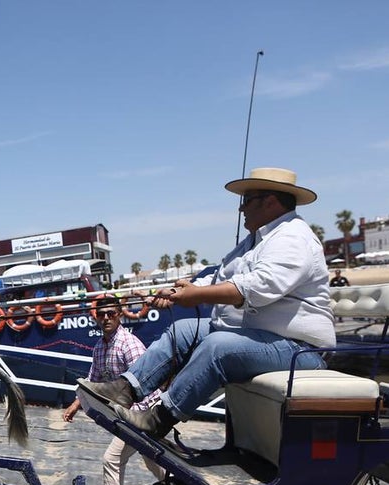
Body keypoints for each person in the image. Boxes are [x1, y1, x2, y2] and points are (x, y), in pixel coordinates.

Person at [78, 167, 335, 438]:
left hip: (300, 350)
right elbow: (221, 276)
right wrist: (181, 290)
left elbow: (258, 288)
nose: (241, 210)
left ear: (270, 201)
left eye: (246, 201)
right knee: (186, 330)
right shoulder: (256, 240)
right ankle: (124, 389)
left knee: (217, 347)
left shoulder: (293, 237)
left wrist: (196, 296)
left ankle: (158, 418)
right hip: (263, 338)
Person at [63, 298, 163, 485]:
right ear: (96, 317)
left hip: (146, 412)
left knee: (113, 458)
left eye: (111, 314)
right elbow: (94, 381)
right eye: (102, 315)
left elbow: (145, 383)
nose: (106, 318)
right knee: (155, 463)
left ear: (120, 315)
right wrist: (76, 404)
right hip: (129, 414)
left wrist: (132, 422)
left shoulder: (129, 344)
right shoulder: (100, 348)